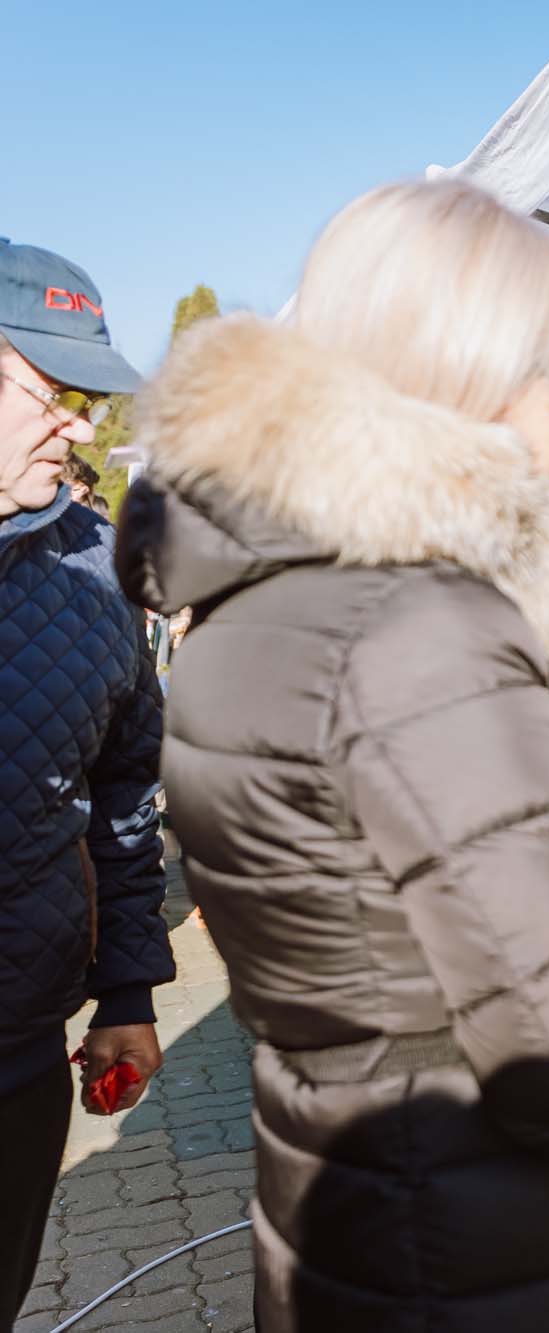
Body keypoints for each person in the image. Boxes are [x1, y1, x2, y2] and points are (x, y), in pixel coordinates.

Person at [115, 181, 549, 1333]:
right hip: (492, 1258)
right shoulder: (423, 633)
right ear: (478, 383)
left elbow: (384, 948)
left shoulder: (249, 602)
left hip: (361, 1221)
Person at [0, 239, 172, 1323]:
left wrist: (128, 990)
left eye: (86, 401)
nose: (77, 426)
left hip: (20, 1047)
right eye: (49, 394)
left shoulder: (96, 571)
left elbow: (124, 796)